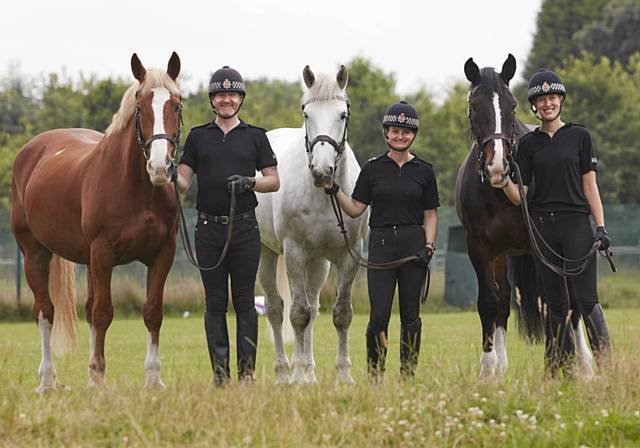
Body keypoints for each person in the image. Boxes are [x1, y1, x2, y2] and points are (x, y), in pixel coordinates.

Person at [502, 68, 611, 377]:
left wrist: (600, 227)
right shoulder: (528, 145)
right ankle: (557, 372)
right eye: (541, 100)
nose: (547, 104)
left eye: (552, 98)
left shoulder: (580, 136)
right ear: (534, 106)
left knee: (587, 301)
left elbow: (590, 186)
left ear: (560, 100)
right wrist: (501, 183)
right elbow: (519, 197)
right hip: (543, 229)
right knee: (555, 304)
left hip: (576, 225)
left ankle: (606, 371)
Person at [174, 66, 280, 385]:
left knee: (245, 301)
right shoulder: (196, 137)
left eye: (232, 94)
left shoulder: (255, 137)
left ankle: (247, 375)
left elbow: (273, 181)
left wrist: (250, 182)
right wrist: (164, 173)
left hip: (245, 229)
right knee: (215, 302)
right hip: (208, 229)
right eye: (221, 94)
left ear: (241, 98)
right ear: (212, 99)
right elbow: (182, 182)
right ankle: (220, 375)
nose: (227, 100)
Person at [327, 101, 439, 379]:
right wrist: (334, 190)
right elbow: (355, 208)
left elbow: (431, 215)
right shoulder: (373, 169)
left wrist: (429, 245)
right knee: (379, 316)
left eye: (406, 131)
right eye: (395, 130)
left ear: (414, 135)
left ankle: (407, 374)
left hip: (414, 247)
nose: (400, 136)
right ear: (386, 133)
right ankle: (375, 374)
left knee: (411, 316)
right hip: (381, 245)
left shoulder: (425, 171)